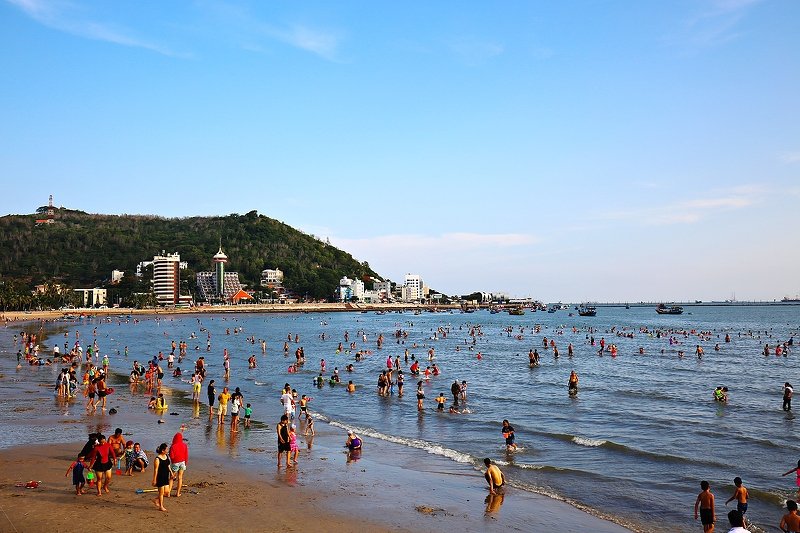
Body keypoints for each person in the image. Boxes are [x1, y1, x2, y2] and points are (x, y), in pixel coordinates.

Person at [151, 443, 173, 512]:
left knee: (167, 491)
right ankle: (161, 506)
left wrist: (171, 473)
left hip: (166, 476)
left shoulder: (166, 456)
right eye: (167, 449)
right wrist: (154, 480)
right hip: (160, 477)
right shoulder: (157, 459)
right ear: (163, 450)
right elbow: (156, 470)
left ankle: (156, 500)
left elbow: (168, 465)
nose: (168, 450)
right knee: (161, 493)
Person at [169, 432, 188, 497]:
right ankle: (177, 493)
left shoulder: (173, 446)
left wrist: (172, 462)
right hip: (182, 462)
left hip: (175, 463)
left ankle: (168, 493)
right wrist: (185, 463)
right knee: (180, 478)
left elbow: (171, 456)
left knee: (171, 478)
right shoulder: (184, 445)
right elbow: (186, 455)